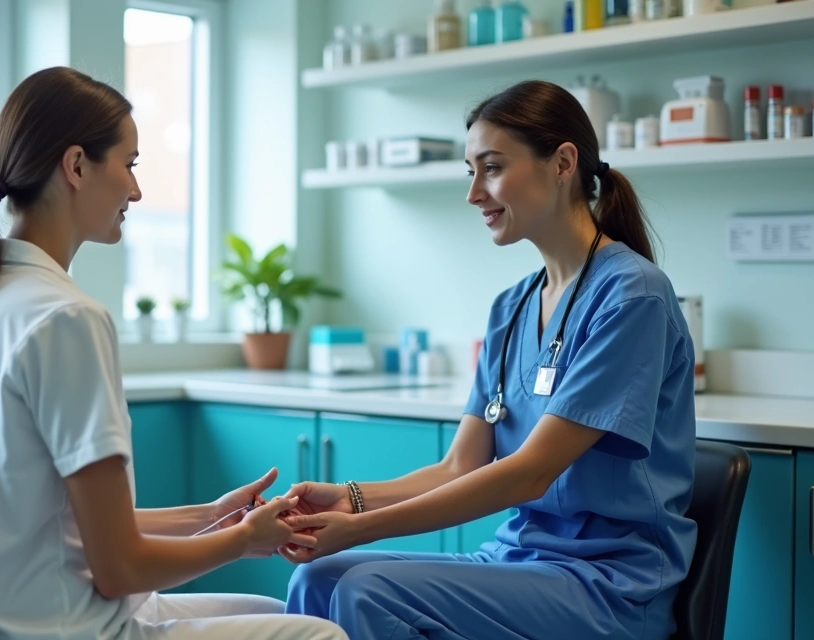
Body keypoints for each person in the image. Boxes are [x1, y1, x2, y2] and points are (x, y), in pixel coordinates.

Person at [0, 66, 348, 640]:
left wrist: (215, 517)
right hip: (60, 629)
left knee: (283, 615)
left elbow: (56, 525)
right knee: (324, 635)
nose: (137, 190)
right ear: (76, 166)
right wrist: (247, 539)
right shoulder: (67, 318)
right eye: (129, 165)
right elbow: (118, 567)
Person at [279, 80, 697, 640]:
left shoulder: (631, 296)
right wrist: (351, 500)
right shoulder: (513, 306)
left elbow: (530, 473)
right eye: (470, 172)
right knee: (320, 578)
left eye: (492, 168)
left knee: (366, 590)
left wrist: (361, 529)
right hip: (519, 561)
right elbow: (461, 467)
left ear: (563, 163)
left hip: (607, 584)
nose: (475, 193)